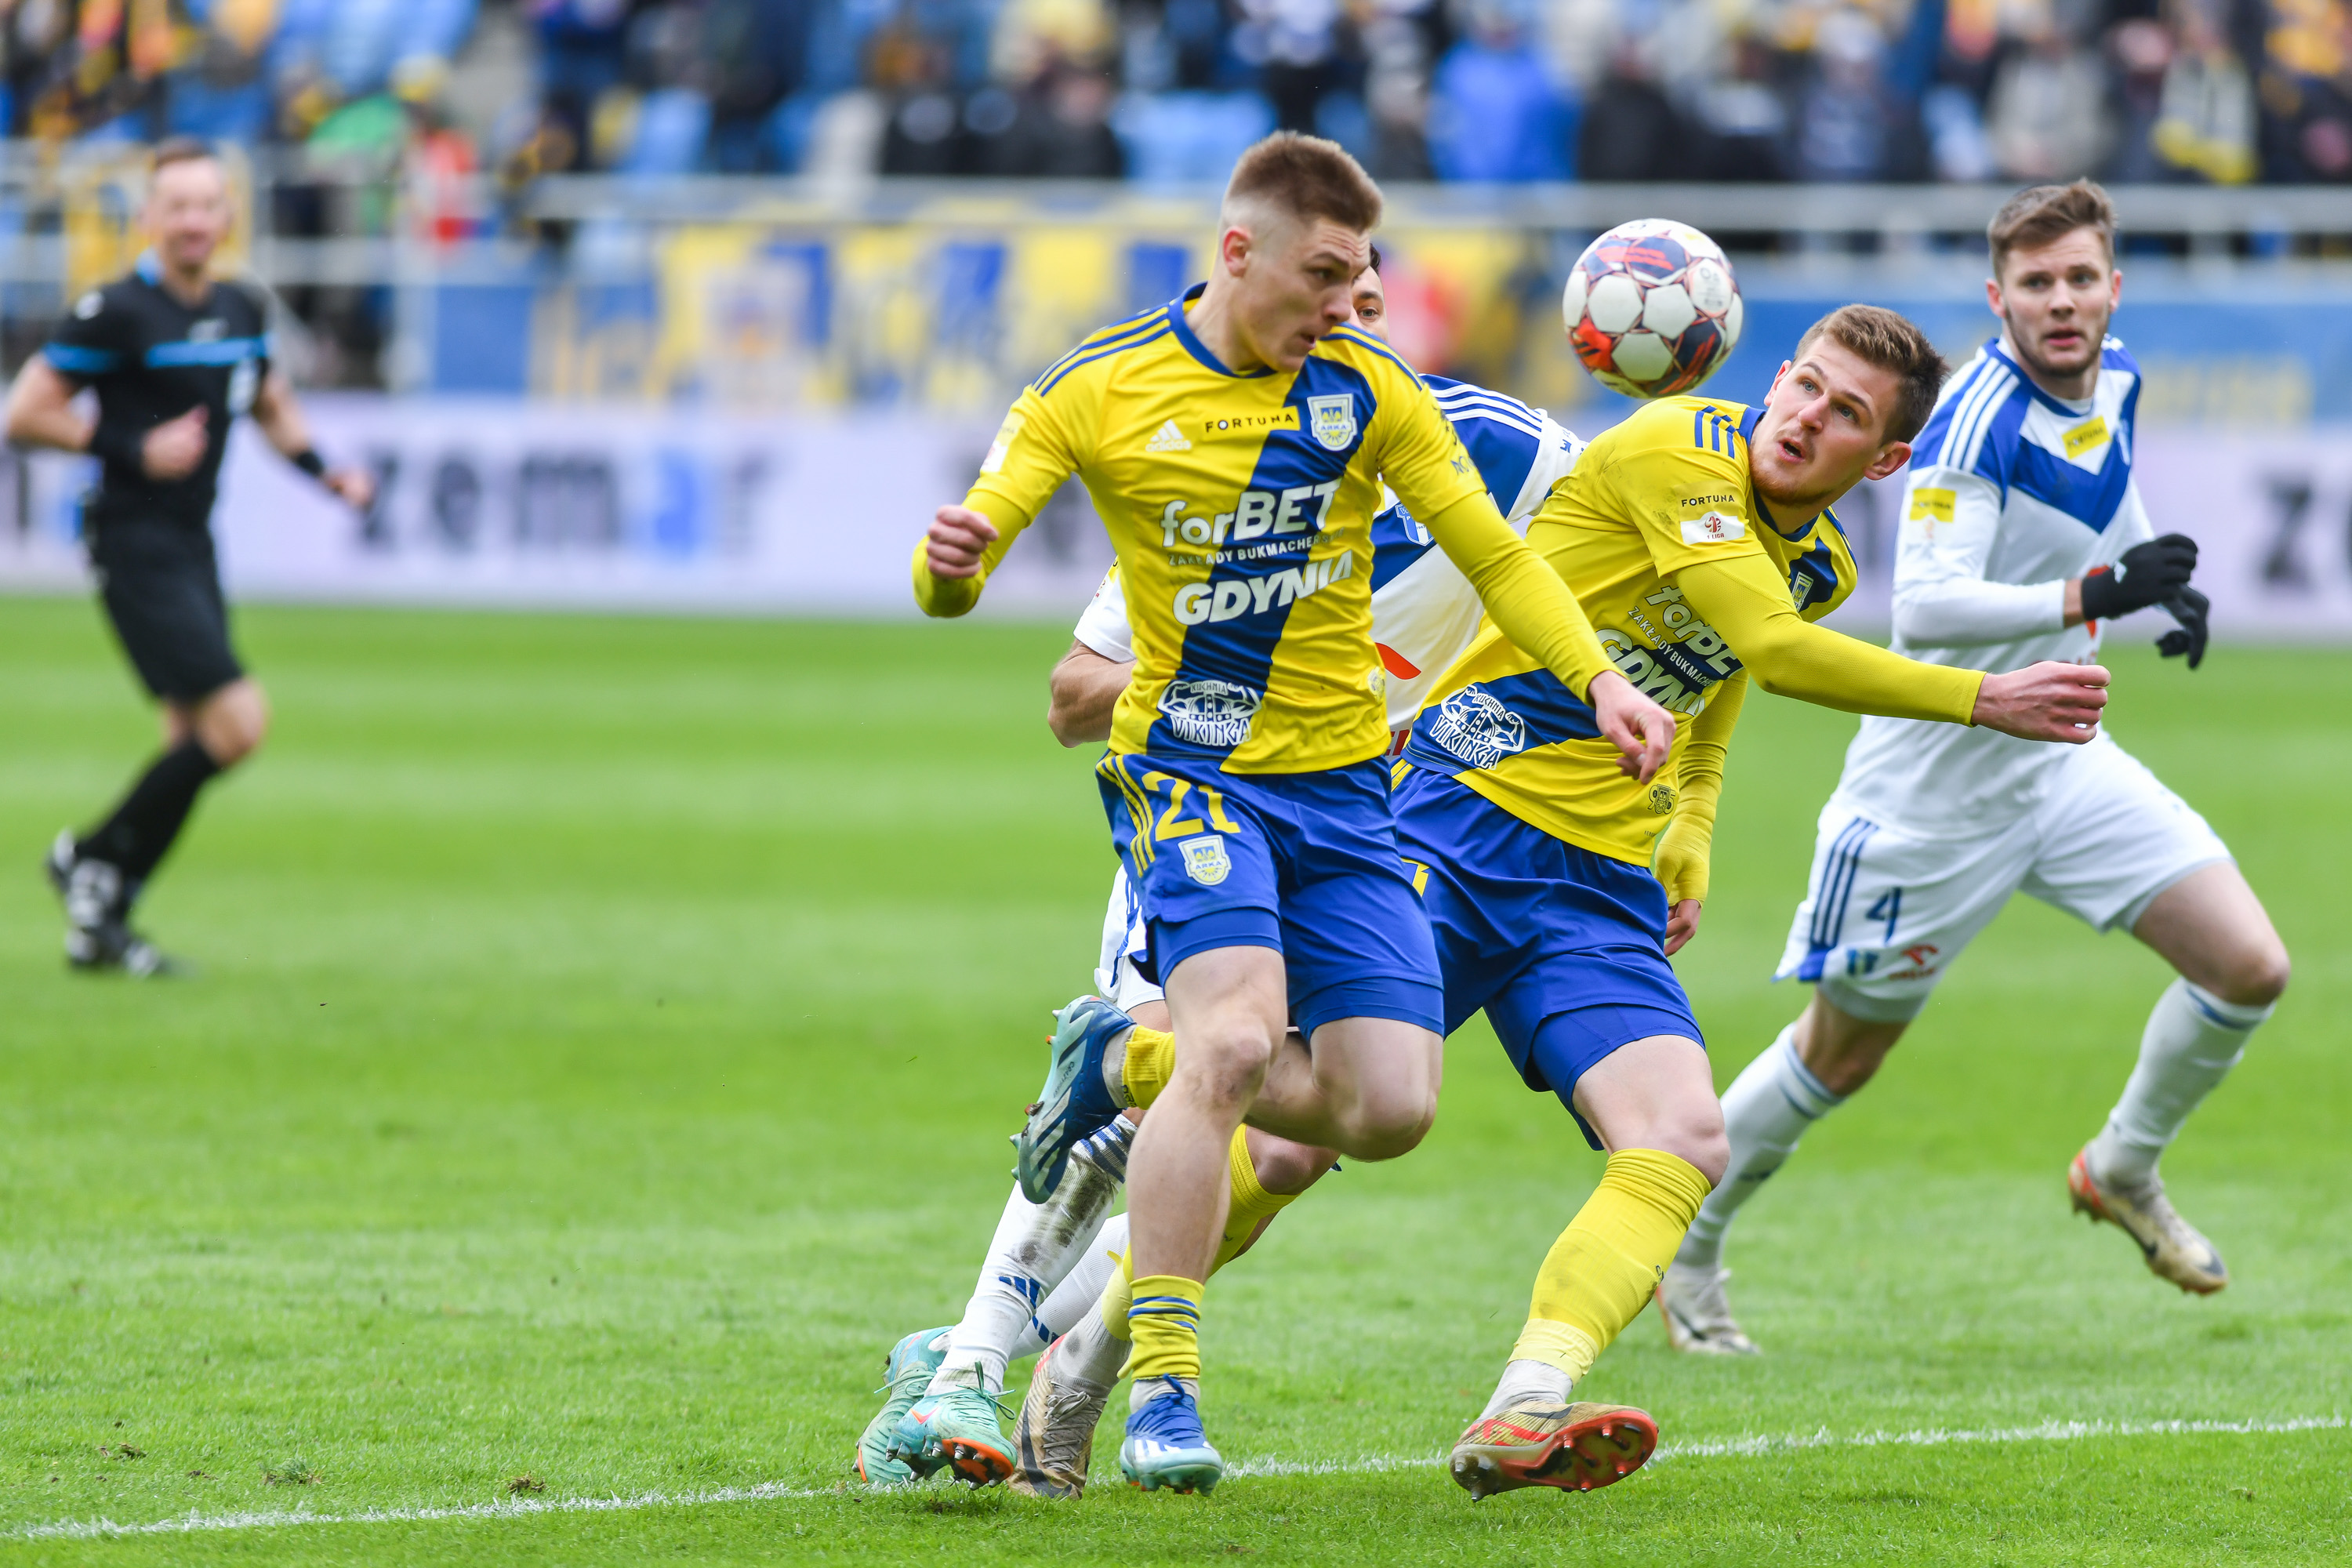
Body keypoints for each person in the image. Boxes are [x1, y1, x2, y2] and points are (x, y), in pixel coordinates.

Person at [1060, 306, 2113, 1501]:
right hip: (1453, 817)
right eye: (1806, 387)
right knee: (1295, 1147)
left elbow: (1721, 666)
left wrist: (1696, 824)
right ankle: (1094, 1314)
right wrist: (1984, 697)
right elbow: (1767, 648)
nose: (1807, 418)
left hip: (1596, 886)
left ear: (1883, 462)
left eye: (1846, 416)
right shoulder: (1679, 450)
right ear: (1778, 377)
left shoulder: (1821, 562)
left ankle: (1526, 1405)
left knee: (1683, 1138)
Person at [913, 131, 1674, 1495]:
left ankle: (1116, 1060)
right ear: (1239, 251)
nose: (1352, 309)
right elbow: (1008, 615)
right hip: (1194, 782)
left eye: (1366, 286)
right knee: (1236, 1043)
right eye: (1331, 280)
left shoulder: (1388, 404)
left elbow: (1509, 557)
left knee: (1375, 1114)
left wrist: (1605, 683)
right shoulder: (1100, 388)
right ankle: (1129, 1384)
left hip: (1349, 801)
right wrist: (951, 567)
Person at [1657, 181, 2290, 1356]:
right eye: (2037, 283)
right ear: (1998, 298)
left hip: (2058, 759)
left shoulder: (2124, 377)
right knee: (1841, 1054)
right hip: (1932, 793)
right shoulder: (1970, 422)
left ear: (2113, 285)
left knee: (2249, 966)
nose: (2063, 301)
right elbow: (1932, 607)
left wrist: (2156, 569)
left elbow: (2109, 495)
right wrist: (2096, 595)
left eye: (2081, 277)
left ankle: (2121, 1167)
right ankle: (1686, 1248)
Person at [6, 137, 373, 974]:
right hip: (133, 540)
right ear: (149, 218)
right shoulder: (115, 312)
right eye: (178, 206)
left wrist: (329, 475)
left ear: (228, 215)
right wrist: (133, 444)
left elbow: (271, 402)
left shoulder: (242, 309)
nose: (195, 221)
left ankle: (103, 915)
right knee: (239, 723)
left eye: (208, 205)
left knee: (189, 736)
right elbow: (26, 412)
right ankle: (90, 858)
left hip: (194, 539)